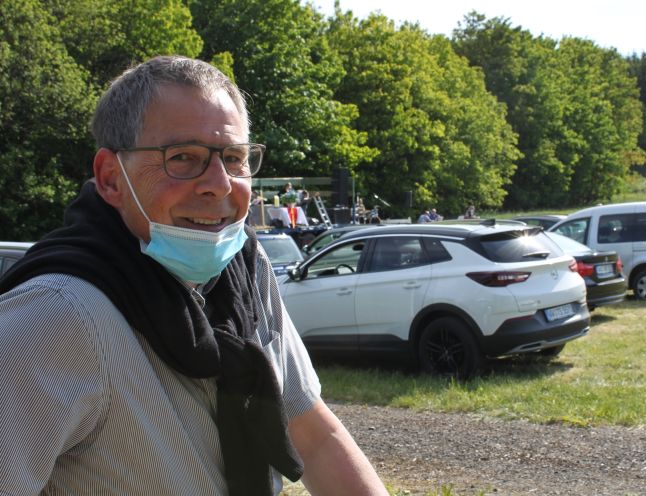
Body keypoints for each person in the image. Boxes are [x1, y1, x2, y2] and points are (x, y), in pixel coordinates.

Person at [0, 56, 387, 495]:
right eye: (182, 157)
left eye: (235, 158)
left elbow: (316, 439)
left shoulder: (244, 272)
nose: (219, 184)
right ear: (111, 178)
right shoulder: (57, 315)